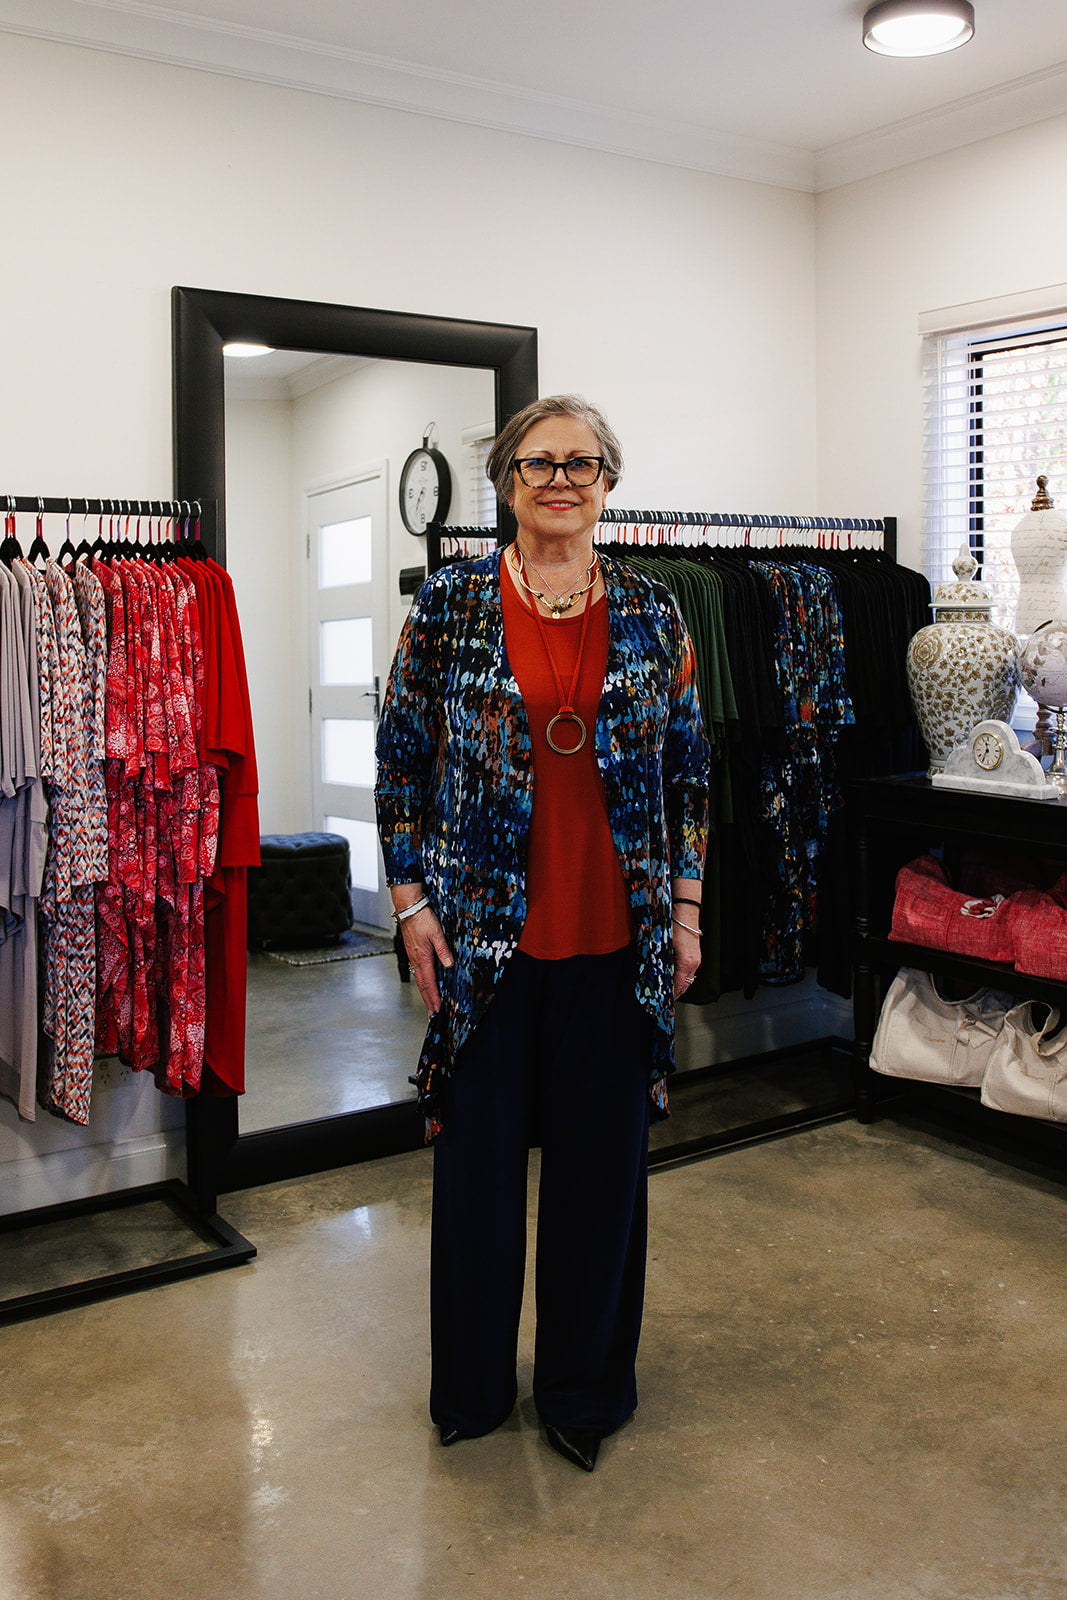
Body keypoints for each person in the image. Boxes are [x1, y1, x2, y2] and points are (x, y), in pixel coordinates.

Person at [375, 394, 710, 1472]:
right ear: (506, 481)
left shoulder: (654, 610)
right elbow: (399, 757)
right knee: (476, 1180)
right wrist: (410, 903)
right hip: (481, 949)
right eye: (538, 462)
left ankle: (581, 1390)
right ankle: (471, 1390)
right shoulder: (451, 603)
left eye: (581, 462)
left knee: (598, 1183)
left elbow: (688, 771)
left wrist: (687, 912)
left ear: (607, 481)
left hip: (617, 943)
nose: (560, 480)